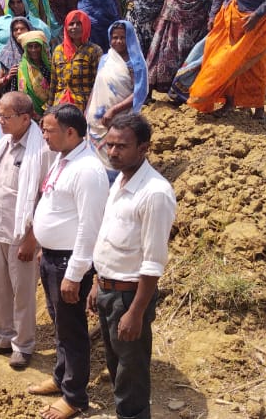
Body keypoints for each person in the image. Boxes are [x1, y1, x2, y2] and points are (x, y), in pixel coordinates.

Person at [87, 113, 175, 419]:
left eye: (121, 146)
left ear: (143, 148)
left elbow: (153, 262)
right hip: (109, 292)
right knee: (117, 369)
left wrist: (135, 312)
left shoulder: (155, 193)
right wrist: (98, 281)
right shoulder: (120, 181)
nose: (112, 152)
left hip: (129, 297)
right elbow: (110, 238)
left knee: (131, 375)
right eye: (110, 145)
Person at [28, 103, 109, 419]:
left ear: (71, 132)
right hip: (51, 258)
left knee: (72, 330)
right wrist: (43, 248)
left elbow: (90, 228)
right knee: (60, 325)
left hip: (68, 264)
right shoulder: (63, 160)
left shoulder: (88, 170)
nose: (44, 135)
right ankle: (61, 378)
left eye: (49, 130)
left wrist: (74, 275)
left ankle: (75, 397)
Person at [0, 91, 47, 370]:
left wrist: (31, 237)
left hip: (22, 236)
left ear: (25, 118)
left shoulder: (41, 150)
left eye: (6, 115)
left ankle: (23, 345)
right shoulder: (3, 144)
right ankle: (1, 337)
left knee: (23, 293)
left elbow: (42, 197)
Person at [87, 21, 148, 170]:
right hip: (95, 121)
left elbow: (139, 93)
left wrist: (114, 110)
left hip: (119, 118)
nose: (119, 41)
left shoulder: (135, 63)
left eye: (123, 37)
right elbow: (97, 87)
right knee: (94, 164)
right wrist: (87, 110)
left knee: (115, 156)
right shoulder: (105, 59)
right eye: (115, 37)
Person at [53, 10, 104, 109]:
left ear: (86, 25)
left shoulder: (94, 50)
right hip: (60, 105)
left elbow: (98, 83)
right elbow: (54, 82)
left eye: (79, 23)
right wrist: (49, 108)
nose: (74, 27)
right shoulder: (58, 50)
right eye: (71, 24)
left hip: (83, 105)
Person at [14, 31, 53, 116]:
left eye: (37, 46)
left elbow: (56, 88)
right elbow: (19, 91)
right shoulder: (21, 67)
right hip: (29, 113)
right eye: (30, 46)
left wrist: (47, 109)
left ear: (42, 47)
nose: (33, 50)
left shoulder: (50, 66)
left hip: (49, 110)